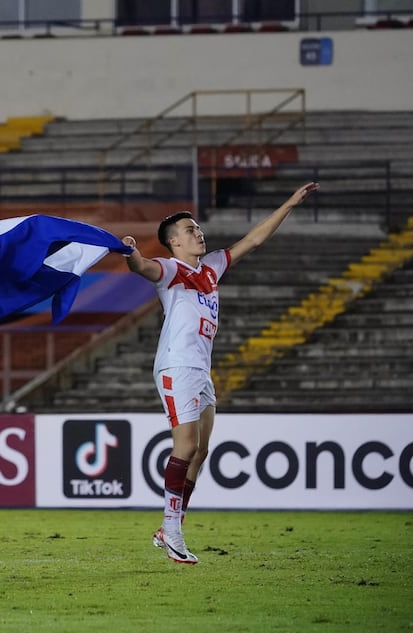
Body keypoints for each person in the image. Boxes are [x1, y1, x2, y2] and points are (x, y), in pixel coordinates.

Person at [121, 182, 319, 565]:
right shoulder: (171, 270)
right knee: (187, 445)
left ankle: (171, 526)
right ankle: (171, 528)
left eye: (198, 228)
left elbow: (254, 240)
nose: (199, 233)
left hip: (200, 368)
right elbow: (143, 266)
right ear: (174, 243)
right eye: (190, 230)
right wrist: (131, 253)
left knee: (202, 451)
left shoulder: (211, 267)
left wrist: (290, 202)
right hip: (176, 364)